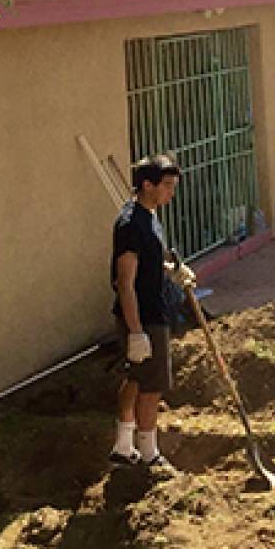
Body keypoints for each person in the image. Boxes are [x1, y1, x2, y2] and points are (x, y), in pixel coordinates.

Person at [110, 154, 196, 473]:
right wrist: (135, 331)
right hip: (145, 317)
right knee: (151, 385)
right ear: (148, 185)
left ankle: (122, 446)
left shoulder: (149, 216)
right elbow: (125, 281)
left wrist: (171, 270)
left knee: (136, 377)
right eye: (168, 186)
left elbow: (146, 265)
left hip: (147, 312)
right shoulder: (131, 225)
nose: (171, 193)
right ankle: (148, 452)